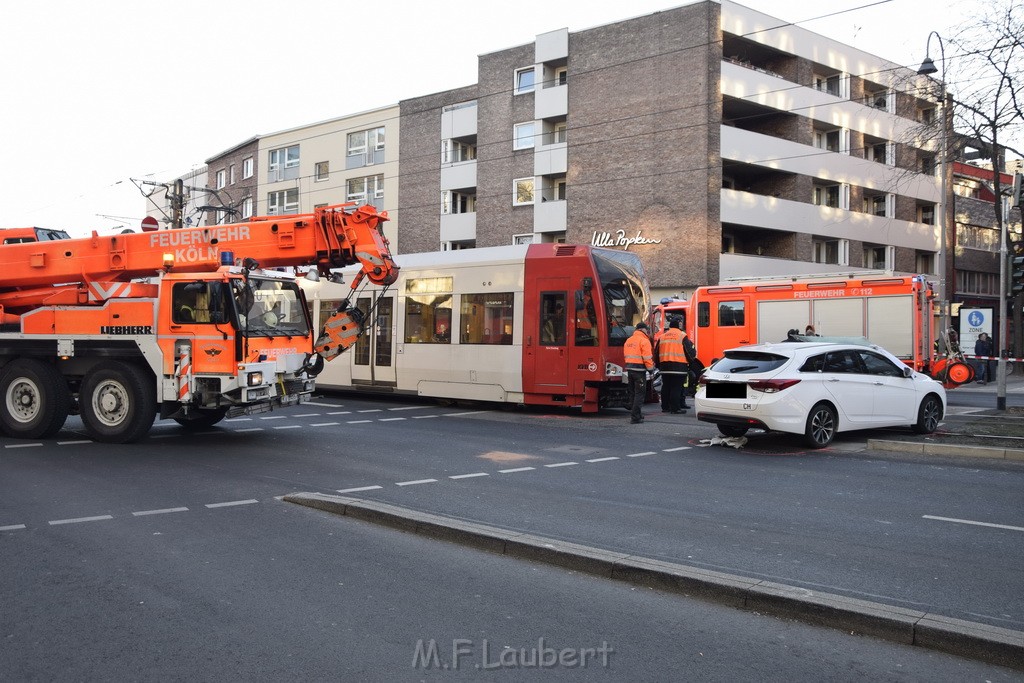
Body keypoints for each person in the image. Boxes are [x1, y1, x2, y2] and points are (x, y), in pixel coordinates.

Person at [657, 317, 690, 414]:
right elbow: (688, 351)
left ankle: (665, 407)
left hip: (664, 366)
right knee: (676, 387)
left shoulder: (662, 336)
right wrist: (691, 361)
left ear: (670, 326)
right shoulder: (682, 335)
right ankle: (675, 408)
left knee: (666, 386)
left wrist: (658, 365)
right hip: (679, 366)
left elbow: (656, 352)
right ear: (678, 326)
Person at [624, 322, 655, 424]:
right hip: (639, 371)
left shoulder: (629, 340)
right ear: (643, 330)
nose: (647, 332)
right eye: (647, 330)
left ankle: (636, 414)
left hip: (630, 370)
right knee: (640, 394)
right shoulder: (644, 341)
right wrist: (651, 370)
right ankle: (635, 417)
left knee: (633, 393)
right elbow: (647, 358)